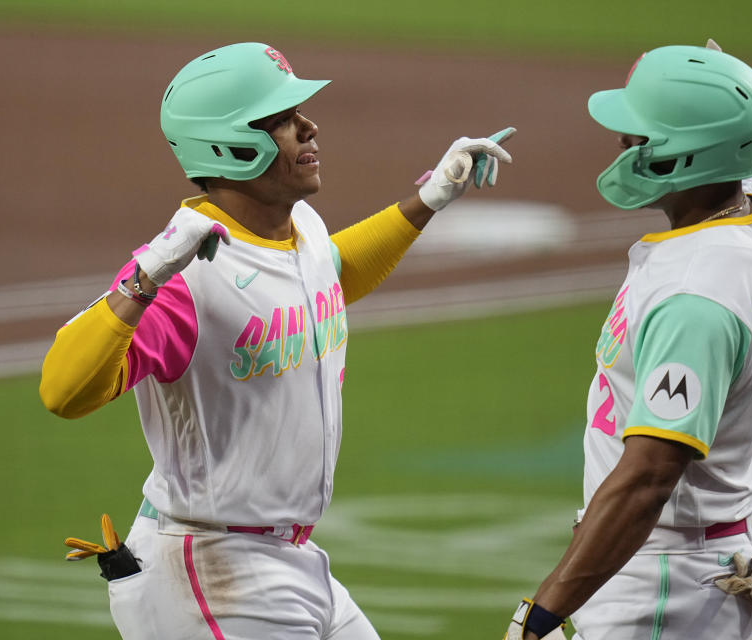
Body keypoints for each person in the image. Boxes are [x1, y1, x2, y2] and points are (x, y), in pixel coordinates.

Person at [39, 42, 512, 640]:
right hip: (211, 572)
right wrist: (144, 278)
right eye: (283, 120)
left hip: (292, 562)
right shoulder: (183, 275)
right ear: (230, 144)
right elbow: (62, 390)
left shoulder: (300, 230)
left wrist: (431, 197)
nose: (309, 126)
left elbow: (331, 278)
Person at [500, 41, 752, 640]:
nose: (624, 144)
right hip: (705, 561)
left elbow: (650, 477)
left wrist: (538, 616)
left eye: (641, 135)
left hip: (663, 586)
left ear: (687, 156)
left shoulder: (695, 296)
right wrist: (739, 99)